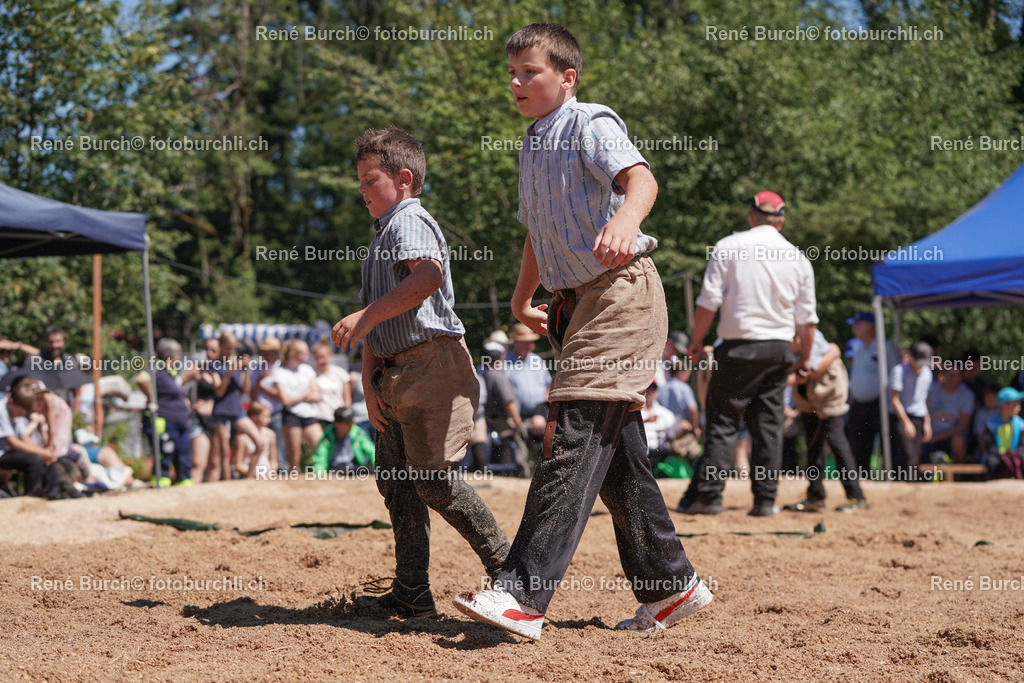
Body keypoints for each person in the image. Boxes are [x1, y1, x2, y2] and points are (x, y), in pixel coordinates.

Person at [453, 23, 710, 641]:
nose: (517, 82)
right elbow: (537, 231)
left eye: (530, 72)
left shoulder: (588, 122)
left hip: (621, 294)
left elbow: (642, 180)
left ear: (567, 77)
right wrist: (522, 298)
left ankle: (521, 595)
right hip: (577, 304)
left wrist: (627, 220)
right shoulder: (530, 144)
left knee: (571, 435)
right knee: (614, 451)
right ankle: (671, 585)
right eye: (511, 73)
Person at [331, 125, 510, 618]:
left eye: (370, 179)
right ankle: (411, 590)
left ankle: (512, 575)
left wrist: (366, 318)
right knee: (396, 481)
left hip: (431, 365)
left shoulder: (407, 220)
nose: (362, 190)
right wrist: (369, 382)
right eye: (360, 181)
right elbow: (378, 319)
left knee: (431, 481)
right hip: (396, 371)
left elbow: (428, 275)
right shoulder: (383, 235)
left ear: (404, 178)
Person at [679, 190, 818, 517]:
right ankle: (765, 501)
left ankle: (710, 498)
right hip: (778, 350)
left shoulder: (728, 246)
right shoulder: (798, 257)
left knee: (723, 423)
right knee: (768, 427)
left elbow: (709, 300)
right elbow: (807, 319)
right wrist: (805, 359)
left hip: (737, 349)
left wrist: (696, 341)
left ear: (751, 216)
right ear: (780, 222)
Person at [782, 330, 867, 513]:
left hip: (828, 394)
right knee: (813, 445)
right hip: (808, 399)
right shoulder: (785, 334)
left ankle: (856, 496)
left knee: (836, 441)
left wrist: (776, 381)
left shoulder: (807, 334)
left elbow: (812, 370)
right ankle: (815, 496)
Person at [845, 311, 900, 473]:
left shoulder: (886, 348)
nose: (854, 328)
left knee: (887, 445)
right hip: (859, 405)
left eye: (858, 324)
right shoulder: (859, 349)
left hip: (880, 405)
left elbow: (895, 375)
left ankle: (893, 476)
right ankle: (861, 477)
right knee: (859, 444)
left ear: (870, 327)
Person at [134, 338, 193, 486]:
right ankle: (161, 480)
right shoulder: (157, 368)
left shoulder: (171, 373)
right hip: (165, 420)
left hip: (180, 421)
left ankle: (184, 480)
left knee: (183, 453)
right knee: (165, 453)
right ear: (172, 356)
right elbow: (141, 379)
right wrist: (151, 398)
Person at [265, 340, 322, 472]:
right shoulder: (279, 372)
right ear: (293, 354)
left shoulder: (307, 370)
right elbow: (285, 400)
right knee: (294, 460)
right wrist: (305, 394)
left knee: (320, 449)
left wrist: (295, 398)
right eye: (304, 353)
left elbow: (316, 396)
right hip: (291, 415)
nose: (307, 355)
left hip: (309, 414)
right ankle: (293, 482)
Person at [0, 376, 61, 498]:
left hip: (9, 451)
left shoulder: (15, 410)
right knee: (34, 459)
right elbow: (13, 443)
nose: (21, 415)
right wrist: (41, 453)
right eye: (20, 412)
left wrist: (45, 452)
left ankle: (53, 494)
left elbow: (24, 438)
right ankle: (30, 497)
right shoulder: (1, 410)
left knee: (44, 456)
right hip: (2, 454)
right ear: (11, 402)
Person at [209, 331, 254, 481]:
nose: (231, 351)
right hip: (220, 411)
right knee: (224, 451)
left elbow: (246, 390)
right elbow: (219, 392)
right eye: (228, 348)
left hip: (236, 410)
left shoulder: (237, 363)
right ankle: (227, 482)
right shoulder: (214, 365)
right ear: (220, 346)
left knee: (259, 441)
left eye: (233, 348)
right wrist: (231, 370)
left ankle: (249, 478)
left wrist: (245, 370)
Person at [888, 340, 934, 480]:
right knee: (905, 453)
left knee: (915, 456)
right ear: (911, 357)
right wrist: (906, 422)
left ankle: (912, 485)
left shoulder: (927, 373)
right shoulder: (899, 371)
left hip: (918, 416)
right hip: (901, 416)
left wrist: (927, 422)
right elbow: (895, 400)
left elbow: (924, 399)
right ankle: (902, 484)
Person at [922, 366, 974, 464]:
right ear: (944, 374)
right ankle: (914, 472)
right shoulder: (932, 389)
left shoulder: (967, 394)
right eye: (950, 374)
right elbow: (923, 410)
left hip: (951, 437)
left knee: (958, 440)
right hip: (930, 434)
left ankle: (960, 472)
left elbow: (963, 426)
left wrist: (936, 438)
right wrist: (926, 429)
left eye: (956, 375)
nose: (952, 378)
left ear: (961, 377)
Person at [250, 337, 286, 472]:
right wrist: (260, 379)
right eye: (264, 352)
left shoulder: (281, 368)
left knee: (278, 444)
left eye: (268, 352)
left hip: (275, 413)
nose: (265, 355)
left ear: (275, 353)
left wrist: (262, 387)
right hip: (258, 415)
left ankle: (282, 470)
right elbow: (251, 394)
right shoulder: (258, 369)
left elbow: (281, 396)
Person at [311, 407, 374, 474]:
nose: (350, 425)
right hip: (335, 472)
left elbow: (372, 451)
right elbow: (320, 460)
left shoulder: (357, 434)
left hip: (354, 470)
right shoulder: (327, 438)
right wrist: (320, 473)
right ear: (336, 424)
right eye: (346, 423)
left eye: (351, 421)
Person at [311, 339, 352, 427]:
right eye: (317, 358)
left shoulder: (340, 373)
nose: (320, 361)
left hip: (338, 419)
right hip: (318, 419)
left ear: (330, 356)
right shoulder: (311, 374)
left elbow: (347, 400)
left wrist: (346, 418)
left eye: (322, 357)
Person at [235, 403, 277, 478]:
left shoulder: (271, 434)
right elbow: (238, 465)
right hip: (247, 474)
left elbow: (274, 461)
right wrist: (252, 475)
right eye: (265, 416)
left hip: (266, 474)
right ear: (254, 417)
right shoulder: (241, 437)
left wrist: (270, 473)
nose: (269, 420)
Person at [641, 382, 677, 467]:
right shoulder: (636, 412)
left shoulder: (665, 413)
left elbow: (672, 431)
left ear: (656, 393)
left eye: (653, 390)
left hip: (659, 451)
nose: (650, 392)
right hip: (642, 450)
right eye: (648, 389)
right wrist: (646, 421)